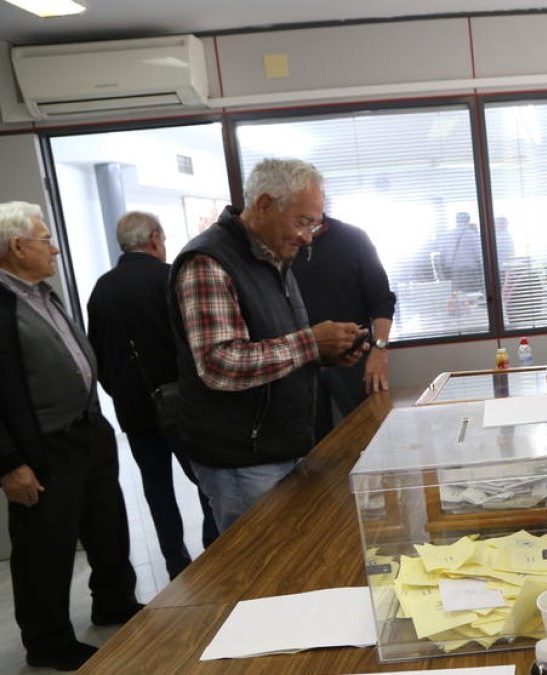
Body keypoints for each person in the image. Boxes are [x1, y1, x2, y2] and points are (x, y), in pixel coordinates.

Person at [0, 202, 141, 671]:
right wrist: (7, 463)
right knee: (44, 549)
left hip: (87, 432)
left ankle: (114, 602)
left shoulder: (41, 292)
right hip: (41, 447)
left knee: (108, 526)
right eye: (47, 240)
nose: (56, 249)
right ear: (17, 246)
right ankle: (47, 642)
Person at [169, 158, 367, 533]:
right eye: (302, 221)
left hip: (279, 445)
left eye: (314, 223)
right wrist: (311, 343)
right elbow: (219, 363)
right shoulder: (209, 262)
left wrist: (326, 354)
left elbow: (274, 344)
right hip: (242, 458)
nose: (309, 236)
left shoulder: (273, 257)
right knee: (258, 573)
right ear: (263, 205)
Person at [87, 211, 218, 579]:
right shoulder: (171, 277)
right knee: (207, 480)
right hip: (183, 404)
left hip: (133, 409)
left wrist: (121, 390)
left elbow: (96, 352)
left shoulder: (102, 289)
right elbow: (193, 342)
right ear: (156, 238)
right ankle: (215, 548)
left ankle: (176, 563)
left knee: (157, 489)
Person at [292, 213, 397, 438]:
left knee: (372, 433)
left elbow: (382, 300)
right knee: (312, 445)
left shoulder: (353, 238)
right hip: (301, 360)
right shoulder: (283, 243)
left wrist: (379, 351)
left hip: (355, 357)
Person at [437, 211, 484, 293]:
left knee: (457, 294)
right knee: (470, 294)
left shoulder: (448, 235)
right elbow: (479, 254)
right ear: (468, 220)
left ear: (456, 220)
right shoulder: (473, 235)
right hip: (470, 270)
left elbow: (442, 253)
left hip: (453, 271)